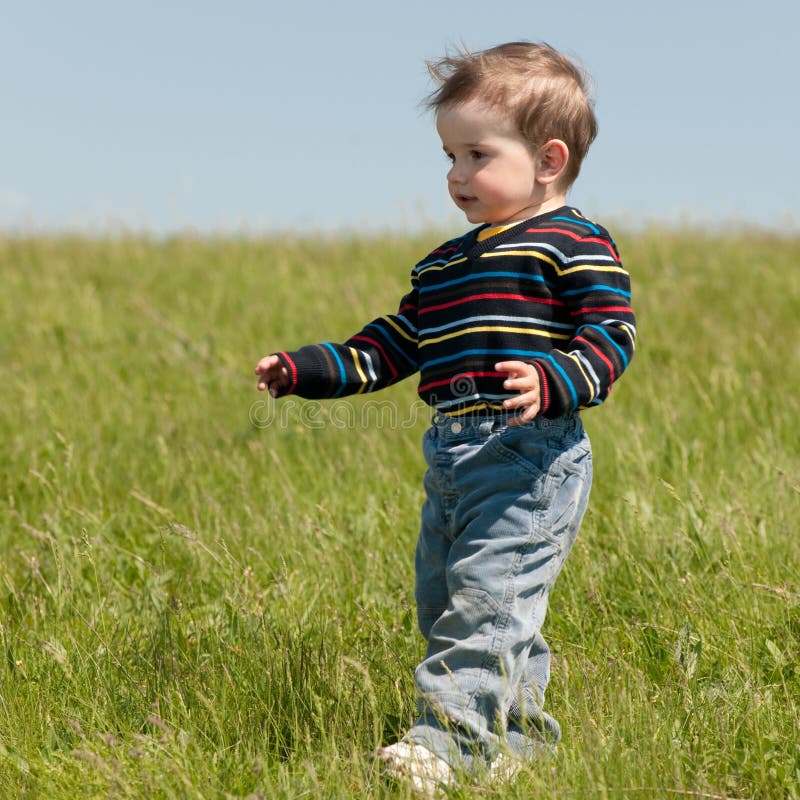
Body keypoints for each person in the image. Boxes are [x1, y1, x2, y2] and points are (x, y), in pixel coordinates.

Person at [255, 41, 635, 793]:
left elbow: (611, 335)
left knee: (488, 601)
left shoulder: (573, 243)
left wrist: (556, 377)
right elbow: (395, 345)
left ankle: (448, 745)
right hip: (453, 457)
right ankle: (520, 746)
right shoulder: (444, 265)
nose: (457, 175)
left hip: (532, 451)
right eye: (448, 157)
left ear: (549, 159)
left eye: (476, 155)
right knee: (454, 603)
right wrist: (307, 369)